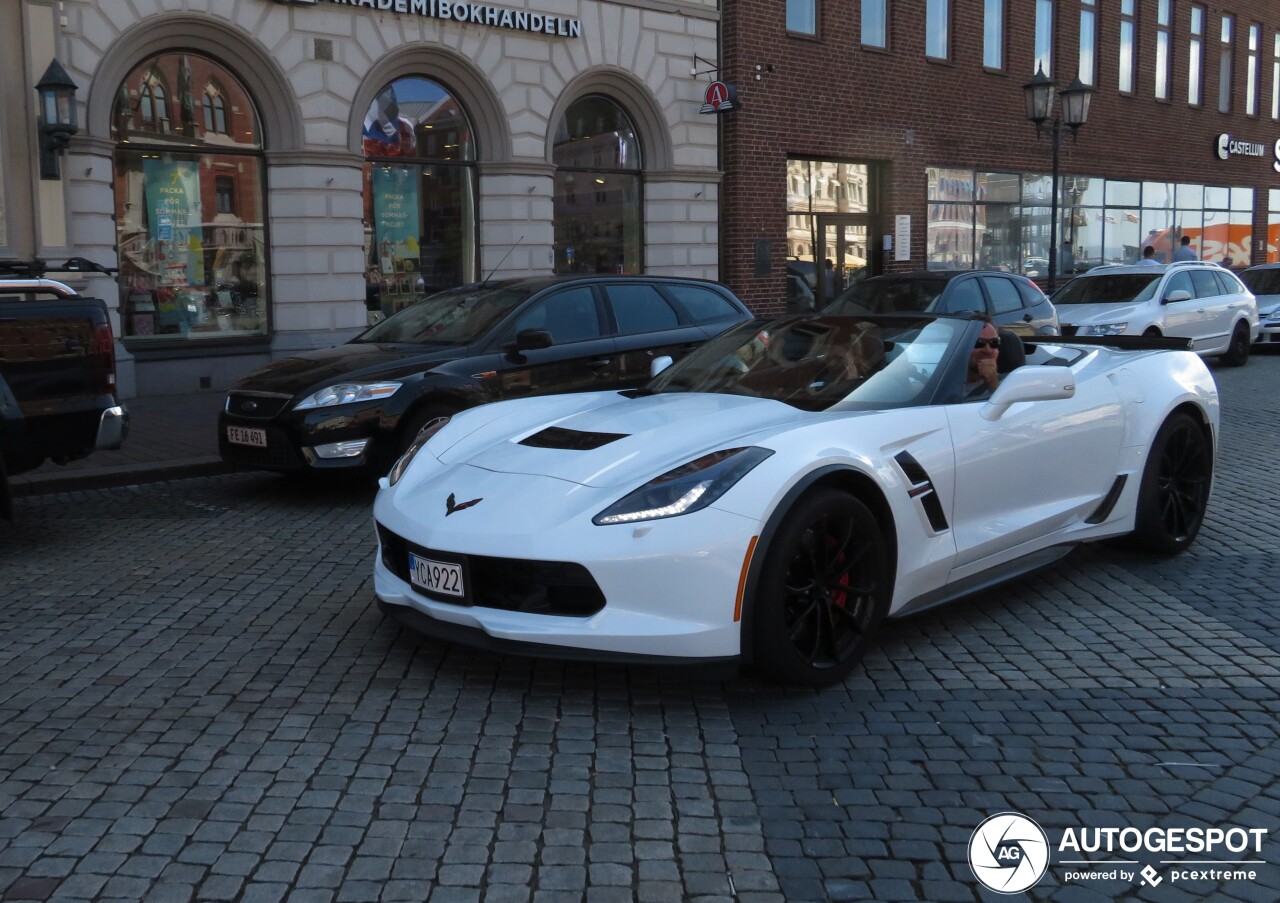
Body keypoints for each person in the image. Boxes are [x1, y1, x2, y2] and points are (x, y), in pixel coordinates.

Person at [961, 321, 1003, 400]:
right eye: (979, 342)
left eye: (994, 342)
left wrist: (993, 383)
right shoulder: (940, 381)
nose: (988, 350)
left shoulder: (1008, 385)